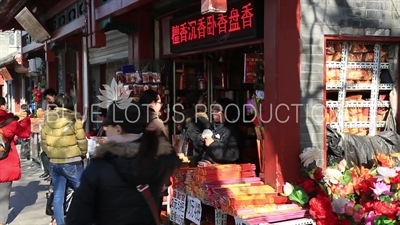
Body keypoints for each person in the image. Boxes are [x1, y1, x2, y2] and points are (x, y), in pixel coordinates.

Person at [65, 101, 181, 225]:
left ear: (118, 129)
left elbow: (77, 218)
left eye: (108, 126)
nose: (105, 129)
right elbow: (172, 158)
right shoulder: (156, 161)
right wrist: (155, 135)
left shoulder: (98, 167)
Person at [41, 93, 87, 225]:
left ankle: (59, 222)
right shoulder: (74, 120)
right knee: (84, 193)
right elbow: (82, 141)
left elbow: (43, 142)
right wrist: (83, 153)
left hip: (55, 162)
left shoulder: (48, 120)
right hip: (72, 161)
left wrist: (50, 154)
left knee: (58, 195)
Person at [0, 97, 31, 225]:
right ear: (3, 105)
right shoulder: (10, 121)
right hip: (5, 161)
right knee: (3, 195)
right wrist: (27, 120)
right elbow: (24, 133)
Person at [200, 98, 241, 164]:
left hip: (220, 170)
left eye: (217, 109)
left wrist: (212, 144)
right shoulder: (212, 127)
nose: (213, 111)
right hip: (205, 166)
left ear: (226, 112)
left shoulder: (232, 131)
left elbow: (233, 155)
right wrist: (200, 138)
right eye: (213, 108)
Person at [180, 93, 211, 167]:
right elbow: (199, 143)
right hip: (201, 159)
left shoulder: (188, 118)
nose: (205, 103)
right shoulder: (201, 119)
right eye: (202, 102)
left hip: (189, 157)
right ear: (195, 105)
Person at [39, 88, 57, 179]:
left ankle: (51, 173)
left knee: (46, 154)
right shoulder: (51, 106)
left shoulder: (59, 105)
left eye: (48, 98)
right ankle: (48, 172)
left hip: (57, 137)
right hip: (51, 134)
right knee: (43, 154)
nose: (48, 101)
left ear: (53, 95)